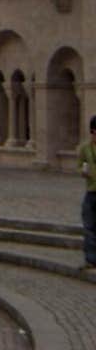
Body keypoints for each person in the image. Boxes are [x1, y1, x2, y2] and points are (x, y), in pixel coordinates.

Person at [78, 115, 96, 272]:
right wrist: (84, 171)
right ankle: (91, 259)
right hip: (91, 191)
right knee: (89, 226)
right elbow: (80, 165)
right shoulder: (85, 148)